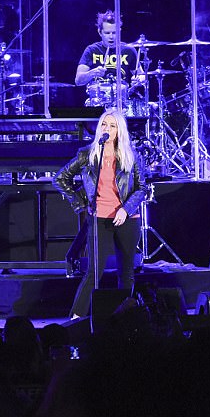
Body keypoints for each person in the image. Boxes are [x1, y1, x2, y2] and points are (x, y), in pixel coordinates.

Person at [53, 110, 148, 318]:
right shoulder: (88, 154)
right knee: (94, 272)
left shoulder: (131, 156)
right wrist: (80, 205)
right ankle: (76, 318)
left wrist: (126, 209)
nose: (107, 128)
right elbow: (60, 178)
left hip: (126, 218)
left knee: (126, 272)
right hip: (99, 218)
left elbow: (142, 188)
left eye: (112, 125)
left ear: (119, 130)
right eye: (104, 124)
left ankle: (126, 317)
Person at [74, 10, 144, 109]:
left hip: (122, 104)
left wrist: (138, 79)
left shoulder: (129, 50)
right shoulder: (91, 50)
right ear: (99, 32)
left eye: (114, 33)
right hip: (97, 104)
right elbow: (78, 81)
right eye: (107, 33)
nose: (111, 37)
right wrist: (92, 73)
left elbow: (141, 75)